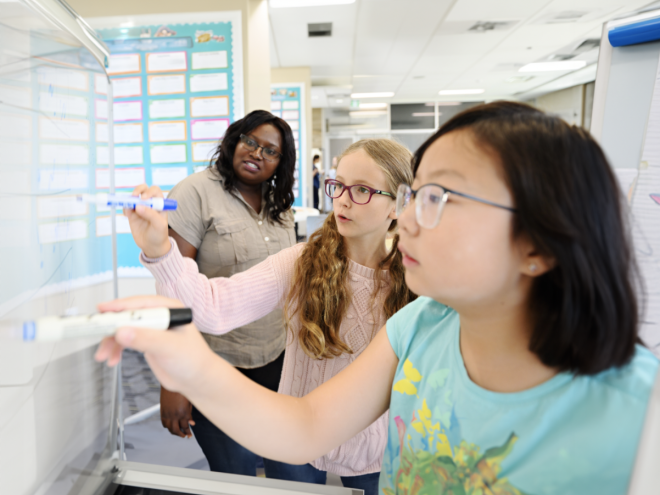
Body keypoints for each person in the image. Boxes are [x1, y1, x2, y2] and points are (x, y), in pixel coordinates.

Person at [97, 102, 659, 495]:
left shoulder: (637, 409)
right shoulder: (422, 324)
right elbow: (305, 425)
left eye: (437, 198)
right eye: (417, 195)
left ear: (540, 243)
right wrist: (184, 346)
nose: (412, 218)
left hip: (368, 456)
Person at [122, 139, 415, 494]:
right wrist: (159, 249)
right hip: (297, 444)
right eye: (338, 186)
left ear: (399, 204)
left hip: (380, 453)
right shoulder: (301, 262)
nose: (342, 200)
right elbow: (213, 308)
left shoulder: (418, 280)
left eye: (363, 190)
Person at [151, 109, 297, 478]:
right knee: (236, 476)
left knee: (293, 471)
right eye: (250, 142)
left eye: (270, 150)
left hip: (277, 361)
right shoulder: (195, 192)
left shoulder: (281, 206)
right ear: (235, 141)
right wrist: (174, 382)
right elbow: (172, 292)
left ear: (281, 162)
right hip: (216, 363)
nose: (256, 153)